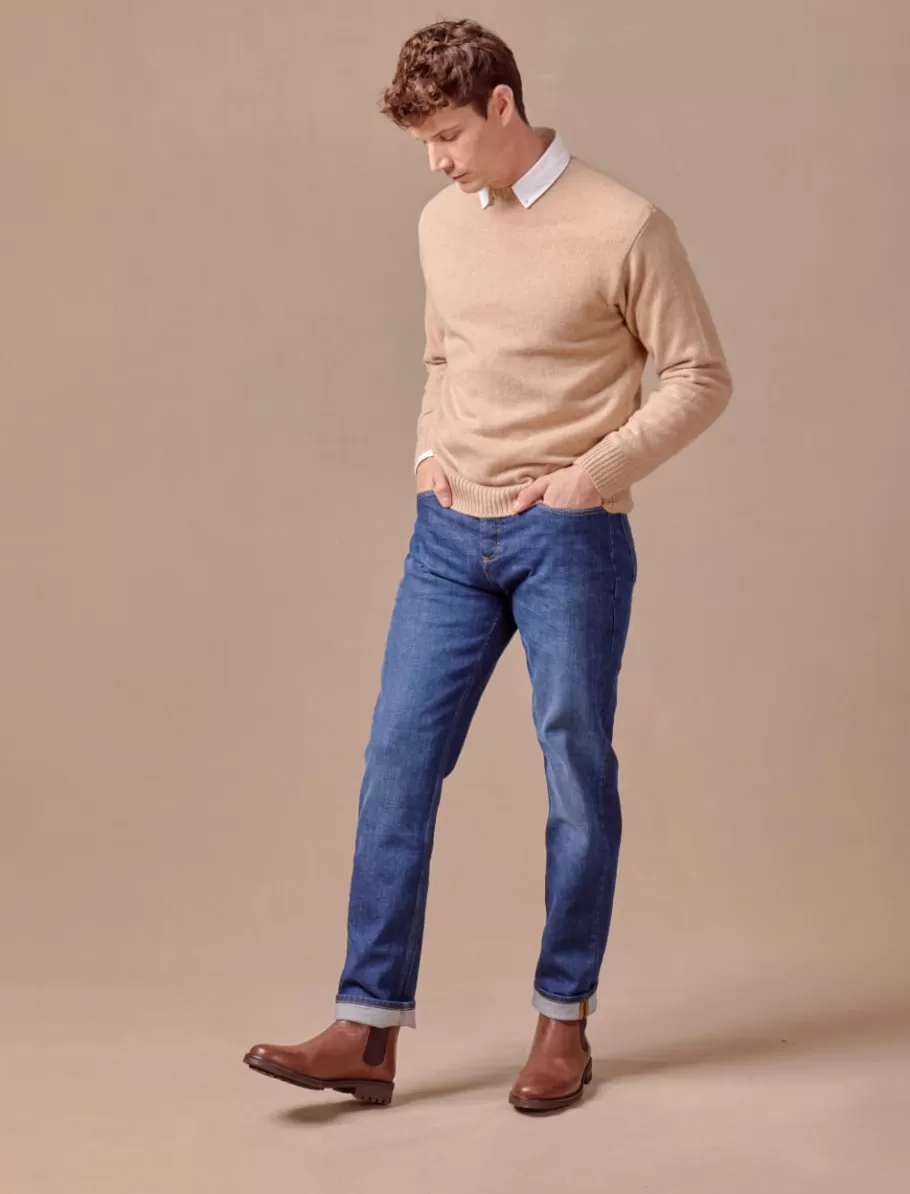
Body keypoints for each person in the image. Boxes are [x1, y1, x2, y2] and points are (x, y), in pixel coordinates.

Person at [244, 17, 732, 1114]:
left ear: (503, 105)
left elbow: (700, 375)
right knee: (396, 762)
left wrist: (592, 475)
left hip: (569, 537)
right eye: (424, 141)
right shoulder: (441, 223)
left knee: (574, 771)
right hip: (448, 539)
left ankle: (563, 1021)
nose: (436, 162)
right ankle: (367, 1031)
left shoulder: (624, 225)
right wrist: (426, 455)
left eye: (449, 136)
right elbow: (443, 356)